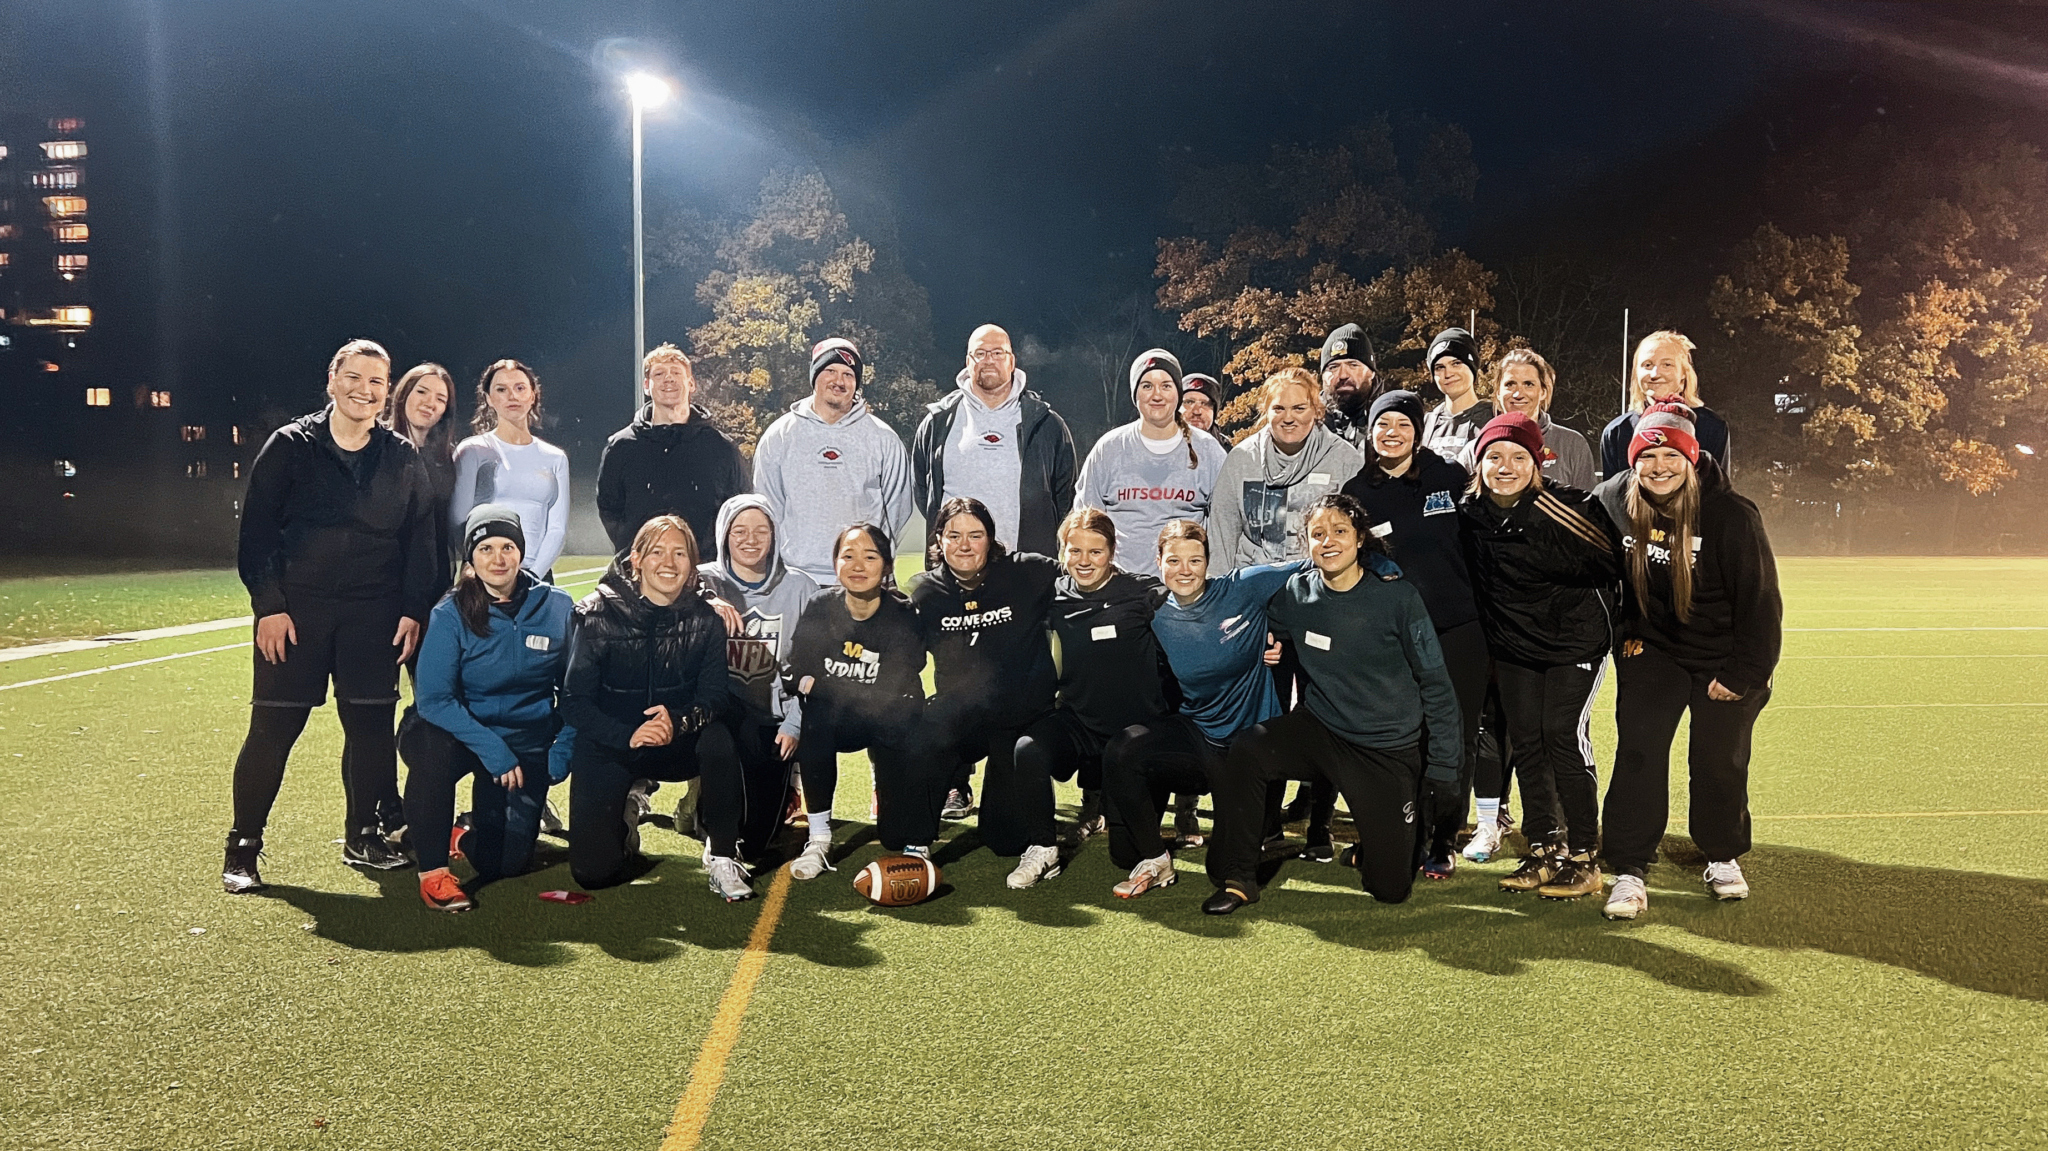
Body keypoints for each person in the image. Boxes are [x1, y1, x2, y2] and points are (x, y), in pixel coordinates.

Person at [222, 339, 439, 892]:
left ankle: (362, 834)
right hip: (297, 613)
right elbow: (258, 533)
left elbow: (420, 539)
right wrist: (269, 605)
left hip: (374, 613)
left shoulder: (400, 457)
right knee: (274, 727)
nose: (364, 391)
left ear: (385, 392)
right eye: (355, 377)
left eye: (375, 383)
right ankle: (243, 846)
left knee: (369, 726)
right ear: (332, 380)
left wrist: (413, 609)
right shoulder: (290, 446)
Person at [1206, 494, 1462, 914]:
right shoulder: (1297, 592)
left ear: (1360, 538)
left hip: (1383, 748)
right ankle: (1240, 877)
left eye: (1340, 531)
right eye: (1318, 534)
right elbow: (1265, 620)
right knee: (1249, 749)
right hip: (1321, 729)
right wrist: (1267, 642)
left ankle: (1375, 850)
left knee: (1390, 887)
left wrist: (1445, 767)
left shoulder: (1398, 599)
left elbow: (1436, 684)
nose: (1329, 542)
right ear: (1306, 544)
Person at [1594, 403, 1780, 919]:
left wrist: (1745, 672)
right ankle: (1629, 868)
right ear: (1632, 461)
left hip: (1724, 654)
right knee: (1639, 751)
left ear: (1691, 458)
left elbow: (1761, 600)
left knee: (1719, 760)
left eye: (1670, 455)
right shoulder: (1612, 500)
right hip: (1654, 649)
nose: (1658, 466)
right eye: (1646, 455)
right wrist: (1624, 633)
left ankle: (1721, 854)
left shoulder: (1730, 514)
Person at [1459, 413, 1620, 901]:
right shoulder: (1469, 514)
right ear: (1479, 462)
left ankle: (1585, 855)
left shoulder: (1567, 506)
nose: (1504, 467)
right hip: (1514, 646)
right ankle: (1545, 846)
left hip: (1573, 642)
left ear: (1537, 462)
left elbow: (1613, 563)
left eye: (1517, 457)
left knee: (1563, 738)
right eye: (1494, 457)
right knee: (1527, 741)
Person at [1207, 365, 1363, 852]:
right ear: (1265, 411)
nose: (1289, 417)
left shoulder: (1344, 459)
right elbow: (1223, 534)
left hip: (1322, 604)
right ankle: (1265, 822)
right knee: (1266, 716)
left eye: (1300, 407)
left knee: (1325, 710)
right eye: (1279, 408)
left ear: (1317, 409)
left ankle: (1319, 824)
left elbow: (1357, 532)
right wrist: (1225, 607)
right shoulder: (1242, 458)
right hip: (1262, 611)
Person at [1101, 521, 1302, 900]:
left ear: (1209, 562)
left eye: (1195, 560)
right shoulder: (1155, 612)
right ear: (1158, 562)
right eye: (1174, 560)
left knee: (1222, 870)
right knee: (1123, 750)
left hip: (1250, 749)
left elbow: (1310, 567)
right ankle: (1156, 857)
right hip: (1199, 737)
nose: (1185, 570)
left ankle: (1265, 836)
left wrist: (1281, 637)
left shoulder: (1243, 587)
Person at [1338, 389, 1493, 878]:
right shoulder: (1357, 491)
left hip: (1458, 628)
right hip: (1395, 634)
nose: (1392, 432)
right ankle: (1399, 829)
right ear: (1370, 431)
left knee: (1456, 735)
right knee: (1400, 734)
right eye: (1383, 423)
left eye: (1403, 424)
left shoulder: (1448, 476)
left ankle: (1444, 838)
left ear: (1418, 431)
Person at [562, 516, 752, 900]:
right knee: (593, 874)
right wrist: (627, 734)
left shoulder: (705, 620)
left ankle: (721, 853)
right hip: (614, 744)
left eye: (680, 553)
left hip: (676, 741)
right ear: (636, 559)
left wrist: (677, 722)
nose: (669, 562)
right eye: (657, 552)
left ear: (692, 565)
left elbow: (715, 696)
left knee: (721, 735)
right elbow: (573, 702)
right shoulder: (594, 614)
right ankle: (625, 813)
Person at [401, 505, 576, 912]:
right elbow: (435, 700)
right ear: (471, 558)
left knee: (508, 864)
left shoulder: (557, 607)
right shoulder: (450, 612)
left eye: (507, 547)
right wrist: (492, 750)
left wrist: (561, 747)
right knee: (431, 754)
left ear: (521, 552)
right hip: (456, 731)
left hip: (523, 739)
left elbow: (575, 690)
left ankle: (461, 834)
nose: (498, 559)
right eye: (485, 548)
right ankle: (434, 873)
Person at [911, 497, 1066, 888]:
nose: (964, 545)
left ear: (991, 538)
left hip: (1017, 718)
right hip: (962, 717)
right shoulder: (925, 593)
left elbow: (1086, 570)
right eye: (954, 535)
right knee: (925, 726)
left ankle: (1018, 795)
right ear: (939, 541)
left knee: (1005, 840)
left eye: (975, 535)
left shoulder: (1027, 573)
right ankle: (917, 836)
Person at [784, 523, 941, 876]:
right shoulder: (820, 606)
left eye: (870, 556)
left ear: (887, 565)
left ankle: (912, 833)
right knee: (816, 718)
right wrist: (821, 689)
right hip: (839, 720)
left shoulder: (904, 615)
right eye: (848, 556)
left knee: (894, 836)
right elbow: (795, 671)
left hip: (891, 725)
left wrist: (823, 684)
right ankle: (820, 838)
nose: (858, 565)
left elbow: (891, 689)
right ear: (835, 563)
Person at [1016, 508, 1174, 844]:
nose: (1084, 561)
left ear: (1112, 553)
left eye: (1096, 552)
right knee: (1028, 749)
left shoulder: (1142, 593)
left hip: (1136, 731)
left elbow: (1195, 612)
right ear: (1063, 553)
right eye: (1075, 551)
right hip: (1080, 723)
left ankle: (1136, 806)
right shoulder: (1052, 597)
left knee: (1128, 852)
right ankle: (1041, 847)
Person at [698, 494, 817, 866]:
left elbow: (813, 666)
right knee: (724, 822)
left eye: (761, 530)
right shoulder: (702, 581)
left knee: (757, 842)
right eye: (740, 530)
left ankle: (711, 807)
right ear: (723, 535)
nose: (750, 539)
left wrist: (796, 722)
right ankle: (703, 801)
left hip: (774, 720)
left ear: (774, 535)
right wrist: (704, 599)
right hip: (723, 716)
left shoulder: (801, 588)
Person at [751, 337, 914, 584]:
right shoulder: (779, 436)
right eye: (830, 371)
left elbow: (898, 511)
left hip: (862, 578)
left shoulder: (883, 439)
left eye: (848, 374)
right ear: (814, 376)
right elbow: (768, 508)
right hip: (796, 579)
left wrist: (877, 566)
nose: (839, 381)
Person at [910, 323, 1077, 558]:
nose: (989, 360)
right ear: (968, 361)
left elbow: (1064, 498)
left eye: (998, 353)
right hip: (957, 570)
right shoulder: (936, 423)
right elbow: (924, 492)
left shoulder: (1048, 425)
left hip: (1026, 575)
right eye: (980, 353)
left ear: (1012, 361)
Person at [1071, 349, 1226, 578]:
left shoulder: (1208, 450)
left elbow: (1225, 526)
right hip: (1120, 588)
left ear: (1177, 393)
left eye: (1166, 385)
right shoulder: (1109, 449)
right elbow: (1086, 524)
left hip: (1185, 587)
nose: (1157, 395)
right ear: (1135, 394)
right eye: (1147, 386)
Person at [597, 343, 749, 558]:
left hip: (705, 573)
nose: (668, 378)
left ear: (691, 383)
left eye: (676, 372)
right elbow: (609, 507)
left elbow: (738, 507)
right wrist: (636, 550)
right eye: (659, 373)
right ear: (646, 386)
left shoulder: (721, 448)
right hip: (641, 575)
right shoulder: (621, 447)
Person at [450, 359, 570, 579]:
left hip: (537, 576)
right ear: (488, 398)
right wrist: (479, 566)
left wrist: (533, 576)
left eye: (520, 388)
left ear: (533, 395)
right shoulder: (473, 450)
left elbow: (557, 528)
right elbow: (459, 520)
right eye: (501, 389)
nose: (512, 396)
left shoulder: (555, 458)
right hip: (485, 575)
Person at [1598, 330, 1731, 481]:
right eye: (1647, 365)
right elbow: (1610, 498)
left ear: (1684, 375)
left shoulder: (1712, 427)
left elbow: (1718, 493)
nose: (1655, 374)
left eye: (1667, 364)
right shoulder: (1616, 431)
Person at [383, 362, 460, 589]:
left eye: (440, 399)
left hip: (435, 581)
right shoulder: (377, 447)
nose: (430, 403)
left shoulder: (448, 458)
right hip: (383, 582)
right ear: (404, 393)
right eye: (422, 391)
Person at [1479, 348, 1596, 489]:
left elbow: (1587, 506)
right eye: (1510, 384)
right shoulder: (1477, 446)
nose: (1518, 394)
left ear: (1543, 392)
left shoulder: (1572, 445)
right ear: (1498, 392)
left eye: (1528, 384)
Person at [1419, 327, 1490, 465]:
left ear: (1472, 367)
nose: (1448, 374)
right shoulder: (1425, 424)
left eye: (1456, 364)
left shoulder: (1494, 419)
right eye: (1440, 367)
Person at [1319, 322, 1383, 446]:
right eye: (1333, 367)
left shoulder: (1392, 419)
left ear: (1372, 373)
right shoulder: (1308, 422)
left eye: (1353, 365)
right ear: (1322, 376)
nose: (1343, 375)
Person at [1179, 372, 1222, 438]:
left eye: (1205, 404)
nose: (1197, 411)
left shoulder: (1228, 447)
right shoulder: (1159, 445)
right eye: (1189, 402)